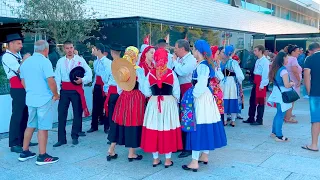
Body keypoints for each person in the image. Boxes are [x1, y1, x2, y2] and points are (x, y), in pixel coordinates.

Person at [181, 40, 227, 172]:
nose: (193, 51)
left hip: (201, 97)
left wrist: (193, 95)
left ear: (199, 51)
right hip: (206, 97)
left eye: (194, 49)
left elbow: (200, 84)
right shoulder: (205, 64)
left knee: (198, 125)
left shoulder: (202, 66)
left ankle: (194, 161)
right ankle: (205, 154)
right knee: (206, 123)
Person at [18, 40, 60, 165]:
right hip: (43, 99)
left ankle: (24, 152)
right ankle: (42, 156)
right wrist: (56, 94)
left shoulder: (26, 62)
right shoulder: (45, 61)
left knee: (30, 124)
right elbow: (51, 81)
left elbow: (23, 81)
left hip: (31, 98)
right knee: (43, 128)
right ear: (46, 50)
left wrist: (31, 91)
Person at [140, 48, 183, 168]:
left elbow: (146, 92)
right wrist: (174, 101)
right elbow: (176, 92)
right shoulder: (171, 73)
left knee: (155, 128)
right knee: (167, 128)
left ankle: (155, 159)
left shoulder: (150, 73)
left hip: (154, 103)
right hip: (168, 103)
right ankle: (168, 160)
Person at [107, 46, 146, 162]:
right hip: (136, 97)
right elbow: (143, 87)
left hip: (124, 97)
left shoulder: (122, 68)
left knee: (119, 122)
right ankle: (131, 153)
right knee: (133, 122)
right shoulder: (138, 69)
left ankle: (111, 149)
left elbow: (119, 87)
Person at [1, 33, 37, 153]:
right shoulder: (7, 56)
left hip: (24, 87)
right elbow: (20, 70)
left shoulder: (17, 54)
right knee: (17, 114)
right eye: (19, 43)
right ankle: (14, 142)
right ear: (11, 44)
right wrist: (26, 60)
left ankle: (23, 139)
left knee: (25, 114)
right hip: (17, 88)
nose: (21, 45)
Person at [53, 41, 92, 147]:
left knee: (77, 113)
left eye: (71, 47)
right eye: (67, 48)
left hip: (76, 89)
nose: (69, 50)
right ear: (64, 49)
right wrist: (56, 92)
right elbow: (57, 77)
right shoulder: (60, 61)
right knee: (61, 114)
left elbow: (89, 73)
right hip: (64, 90)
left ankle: (75, 136)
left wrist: (83, 80)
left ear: (73, 48)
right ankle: (61, 139)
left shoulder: (80, 60)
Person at [172, 39, 197, 158]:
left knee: (187, 117)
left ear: (182, 49)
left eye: (176, 47)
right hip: (180, 89)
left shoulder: (191, 60)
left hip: (187, 90)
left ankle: (188, 147)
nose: (174, 50)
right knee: (180, 117)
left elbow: (182, 71)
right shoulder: (182, 59)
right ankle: (181, 144)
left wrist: (174, 62)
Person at [267, 52, 294, 142]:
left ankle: (274, 132)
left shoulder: (276, 69)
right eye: (286, 58)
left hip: (277, 93)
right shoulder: (284, 70)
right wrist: (292, 83)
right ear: (283, 58)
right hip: (283, 93)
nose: (288, 60)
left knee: (278, 113)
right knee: (280, 114)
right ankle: (279, 135)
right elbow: (286, 85)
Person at [243, 45, 269, 126]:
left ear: (260, 51)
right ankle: (251, 117)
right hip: (256, 81)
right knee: (252, 100)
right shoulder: (258, 60)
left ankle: (259, 119)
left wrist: (262, 84)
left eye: (255, 50)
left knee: (260, 101)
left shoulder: (265, 61)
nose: (254, 52)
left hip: (261, 81)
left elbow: (265, 74)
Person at [87, 43, 110, 133]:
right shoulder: (96, 62)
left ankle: (106, 126)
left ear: (99, 50)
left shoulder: (107, 62)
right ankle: (94, 125)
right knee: (95, 106)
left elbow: (108, 77)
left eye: (94, 50)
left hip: (105, 85)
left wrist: (107, 88)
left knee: (106, 106)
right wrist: (93, 85)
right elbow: (96, 75)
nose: (93, 51)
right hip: (97, 85)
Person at [220, 45, 245, 127]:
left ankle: (225, 120)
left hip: (224, 83)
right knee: (232, 100)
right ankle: (233, 120)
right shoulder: (233, 62)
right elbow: (240, 75)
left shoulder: (221, 63)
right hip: (232, 83)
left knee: (225, 100)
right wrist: (239, 81)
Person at [302, 42, 320, 152]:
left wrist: (309, 92)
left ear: (310, 50)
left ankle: (314, 144)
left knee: (316, 119)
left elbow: (307, 77)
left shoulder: (309, 59)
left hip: (316, 93)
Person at [103, 43, 122, 142]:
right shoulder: (124, 64)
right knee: (120, 115)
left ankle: (113, 138)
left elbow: (105, 78)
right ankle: (119, 136)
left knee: (112, 116)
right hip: (121, 92)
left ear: (111, 52)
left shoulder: (111, 64)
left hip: (113, 92)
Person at [284, 44, 301, 124]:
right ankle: (288, 117)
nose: (299, 53)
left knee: (289, 99)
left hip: (288, 80)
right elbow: (294, 71)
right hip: (294, 82)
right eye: (298, 51)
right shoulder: (293, 59)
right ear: (293, 52)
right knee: (292, 100)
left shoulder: (287, 58)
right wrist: (299, 80)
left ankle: (288, 114)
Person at [210, 46, 225, 120]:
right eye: (217, 54)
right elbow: (220, 77)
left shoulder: (214, 63)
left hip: (215, 88)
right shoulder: (212, 64)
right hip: (213, 89)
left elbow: (220, 77)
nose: (218, 56)